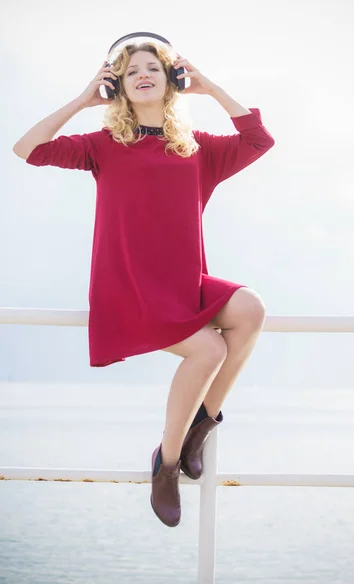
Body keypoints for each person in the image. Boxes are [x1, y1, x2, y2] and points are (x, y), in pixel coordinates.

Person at [13, 40, 275, 528]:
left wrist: (211, 87)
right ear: (118, 86)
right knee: (209, 352)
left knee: (251, 310)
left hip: (183, 284)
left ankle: (200, 426)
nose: (143, 74)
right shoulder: (102, 146)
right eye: (131, 70)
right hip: (130, 288)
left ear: (173, 81)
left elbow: (259, 140)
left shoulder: (198, 148)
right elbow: (27, 149)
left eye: (154, 67)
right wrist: (82, 100)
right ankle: (168, 462)